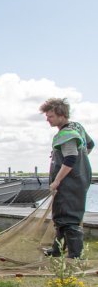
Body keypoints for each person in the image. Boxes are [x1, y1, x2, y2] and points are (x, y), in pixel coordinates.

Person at [40, 98, 94, 259]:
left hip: (70, 182)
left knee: (69, 217)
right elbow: (90, 145)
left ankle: (75, 256)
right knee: (61, 215)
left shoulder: (67, 134)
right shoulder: (77, 127)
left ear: (61, 115)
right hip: (79, 178)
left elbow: (70, 158)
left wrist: (57, 180)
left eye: (50, 116)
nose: (47, 119)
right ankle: (57, 250)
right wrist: (82, 160)